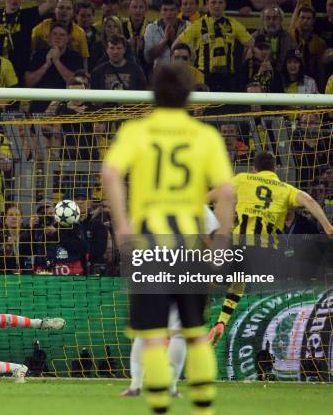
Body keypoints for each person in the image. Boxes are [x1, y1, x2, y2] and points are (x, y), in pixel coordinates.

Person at [102, 65, 236, 414]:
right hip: (190, 243)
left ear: (154, 93)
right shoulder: (205, 136)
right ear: (189, 95)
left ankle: (158, 405)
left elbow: (111, 172)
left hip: (150, 243)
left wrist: (121, 227)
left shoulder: (137, 131)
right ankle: (204, 407)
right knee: (193, 332)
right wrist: (220, 245)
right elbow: (226, 192)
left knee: (151, 334)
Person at [207, 151, 333, 346]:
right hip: (267, 255)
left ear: (254, 168)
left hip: (240, 245)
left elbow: (214, 194)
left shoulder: (242, 178)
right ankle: (221, 321)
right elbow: (310, 201)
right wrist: (327, 226)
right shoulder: (285, 188)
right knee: (239, 282)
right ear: (276, 169)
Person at [122, 205, 220, 398]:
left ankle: (136, 386)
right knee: (181, 333)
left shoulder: (147, 202)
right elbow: (215, 237)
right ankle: (171, 387)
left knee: (146, 331)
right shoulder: (196, 203)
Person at [174, 0, 254, 91]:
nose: (217, 6)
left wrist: (243, 60)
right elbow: (176, 46)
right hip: (204, 78)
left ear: (225, 4)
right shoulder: (198, 25)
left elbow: (251, 44)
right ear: (207, 4)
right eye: (213, 2)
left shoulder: (233, 24)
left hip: (228, 78)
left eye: (220, 2)